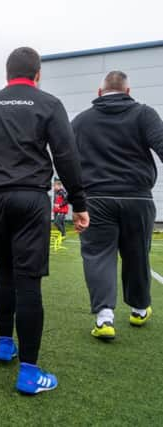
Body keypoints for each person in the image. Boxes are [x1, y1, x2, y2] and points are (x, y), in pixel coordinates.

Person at [0, 47, 89, 395]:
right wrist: (79, 202)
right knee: (27, 282)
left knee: (4, 272)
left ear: (7, 74)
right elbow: (66, 156)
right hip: (29, 200)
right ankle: (28, 373)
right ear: (37, 74)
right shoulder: (49, 104)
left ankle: (4, 344)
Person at [72, 70, 163, 340]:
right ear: (128, 91)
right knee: (137, 253)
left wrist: (73, 197)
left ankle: (104, 317)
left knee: (98, 255)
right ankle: (138, 309)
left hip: (96, 198)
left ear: (99, 93)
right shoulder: (144, 114)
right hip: (137, 197)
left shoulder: (81, 121)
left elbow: (66, 159)